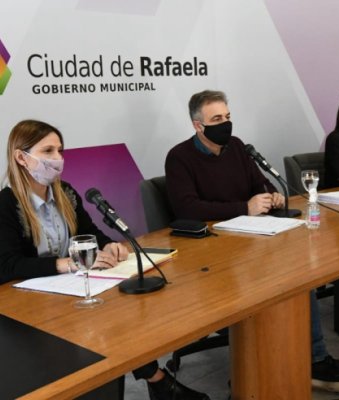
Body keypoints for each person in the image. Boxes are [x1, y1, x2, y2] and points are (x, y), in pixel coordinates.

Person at [165, 90, 339, 394]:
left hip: (252, 241)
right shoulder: (179, 158)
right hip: (212, 255)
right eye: (217, 119)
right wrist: (244, 207)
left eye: (228, 117)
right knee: (271, 279)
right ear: (197, 126)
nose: (226, 124)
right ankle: (261, 369)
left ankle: (310, 359)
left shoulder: (238, 147)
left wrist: (274, 194)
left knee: (300, 268)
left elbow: (260, 184)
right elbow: (187, 208)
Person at [0, 120, 209, 400]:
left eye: (60, 150)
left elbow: (91, 234)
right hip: (31, 306)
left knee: (122, 314)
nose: (57, 159)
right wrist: (65, 264)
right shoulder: (6, 204)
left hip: (73, 290)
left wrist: (110, 245)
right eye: (47, 151)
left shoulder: (66, 193)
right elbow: (6, 266)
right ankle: (159, 381)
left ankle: (158, 381)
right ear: (21, 157)